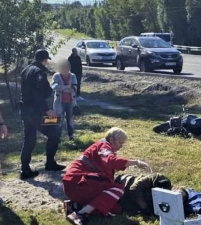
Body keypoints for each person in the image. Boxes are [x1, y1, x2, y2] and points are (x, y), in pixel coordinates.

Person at [62, 127, 152, 225]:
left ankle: (76, 205)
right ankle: (80, 214)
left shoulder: (100, 147)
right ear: (111, 139)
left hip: (75, 183)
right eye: (120, 143)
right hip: (77, 182)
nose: (121, 146)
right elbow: (110, 161)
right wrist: (136, 162)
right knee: (118, 189)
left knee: (116, 209)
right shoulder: (104, 146)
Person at [20, 49, 66, 180]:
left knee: (29, 140)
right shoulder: (39, 72)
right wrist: (47, 109)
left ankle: (25, 169)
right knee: (55, 131)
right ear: (45, 60)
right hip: (36, 112)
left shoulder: (26, 69)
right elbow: (38, 94)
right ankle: (50, 163)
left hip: (26, 111)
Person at [52, 59, 77, 141]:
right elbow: (54, 86)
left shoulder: (73, 76)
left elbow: (74, 88)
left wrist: (61, 88)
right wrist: (66, 87)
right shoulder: (56, 76)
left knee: (70, 120)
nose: (65, 70)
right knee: (58, 121)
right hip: (59, 103)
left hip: (70, 102)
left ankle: (71, 136)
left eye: (66, 68)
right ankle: (57, 137)